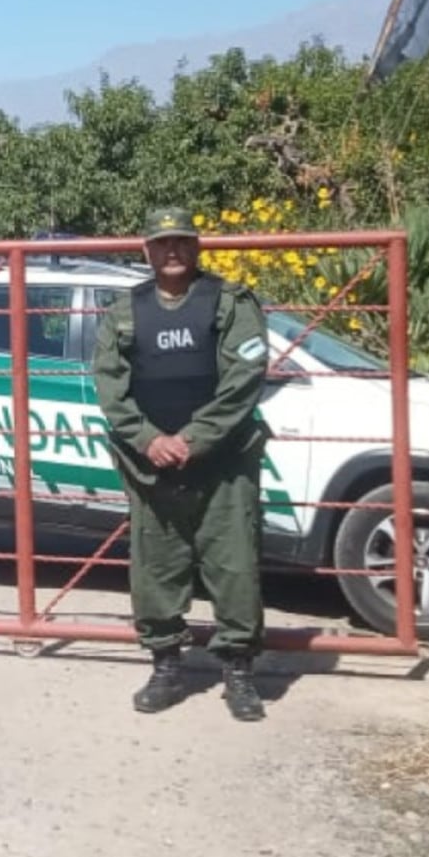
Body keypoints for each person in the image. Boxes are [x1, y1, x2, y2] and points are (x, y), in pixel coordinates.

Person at [91, 207, 272, 720]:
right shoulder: (125, 311)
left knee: (234, 566)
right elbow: (109, 385)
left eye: (182, 242)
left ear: (197, 248)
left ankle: (238, 674)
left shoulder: (230, 303)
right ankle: (166, 666)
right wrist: (150, 440)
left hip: (224, 464)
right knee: (156, 568)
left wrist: (193, 437)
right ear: (146, 251)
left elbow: (244, 378)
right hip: (153, 467)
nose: (172, 251)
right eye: (162, 243)